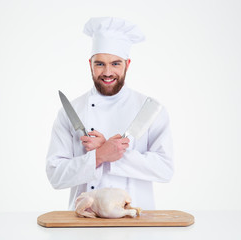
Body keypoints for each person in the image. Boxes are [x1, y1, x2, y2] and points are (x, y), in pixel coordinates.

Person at [46, 17, 173, 210]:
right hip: (84, 221)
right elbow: (55, 175)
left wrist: (112, 153)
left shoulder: (150, 111)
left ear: (127, 64)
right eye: (100, 64)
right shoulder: (70, 112)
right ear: (90, 63)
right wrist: (98, 156)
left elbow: (165, 169)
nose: (107, 72)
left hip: (138, 221)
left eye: (115, 63)